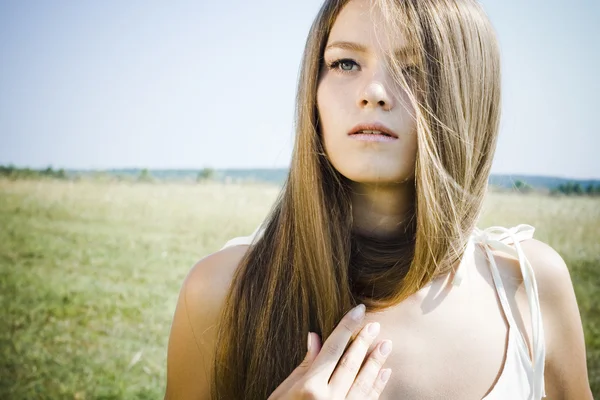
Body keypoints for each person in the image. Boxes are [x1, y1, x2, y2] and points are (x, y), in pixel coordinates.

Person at [165, 0, 593, 399]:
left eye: (416, 69)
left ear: (470, 95)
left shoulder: (532, 287)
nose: (373, 91)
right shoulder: (221, 291)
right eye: (345, 62)